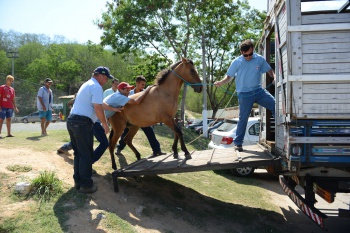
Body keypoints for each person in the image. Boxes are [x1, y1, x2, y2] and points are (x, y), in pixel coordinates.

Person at [214, 39, 275, 152]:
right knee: (243, 118)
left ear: (253, 50)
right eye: (245, 55)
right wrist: (220, 83)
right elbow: (228, 77)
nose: (248, 57)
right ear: (241, 52)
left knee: (275, 105)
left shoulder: (259, 59)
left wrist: (274, 77)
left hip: (258, 91)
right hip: (244, 94)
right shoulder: (237, 62)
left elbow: (269, 70)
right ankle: (238, 143)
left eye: (250, 54)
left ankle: (280, 132)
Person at [67, 66, 112, 194]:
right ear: (101, 76)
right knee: (86, 155)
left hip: (72, 121)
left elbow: (100, 103)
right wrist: (104, 124)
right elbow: (98, 107)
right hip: (82, 123)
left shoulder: (87, 84)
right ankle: (86, 185)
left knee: (79, 154)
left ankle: (78, 182)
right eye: (106, 78)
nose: (106, 81)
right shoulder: (97, 86)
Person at [114, 76, 166, 157]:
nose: (143, 86)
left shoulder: (145, 93)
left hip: (142, 118)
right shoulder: (129, 93)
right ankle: (119, 148)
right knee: (125, 133)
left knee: (150, 132)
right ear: (137, 84)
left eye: (144, 85)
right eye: (142, 84)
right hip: (130, 118)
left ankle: (157, 150)